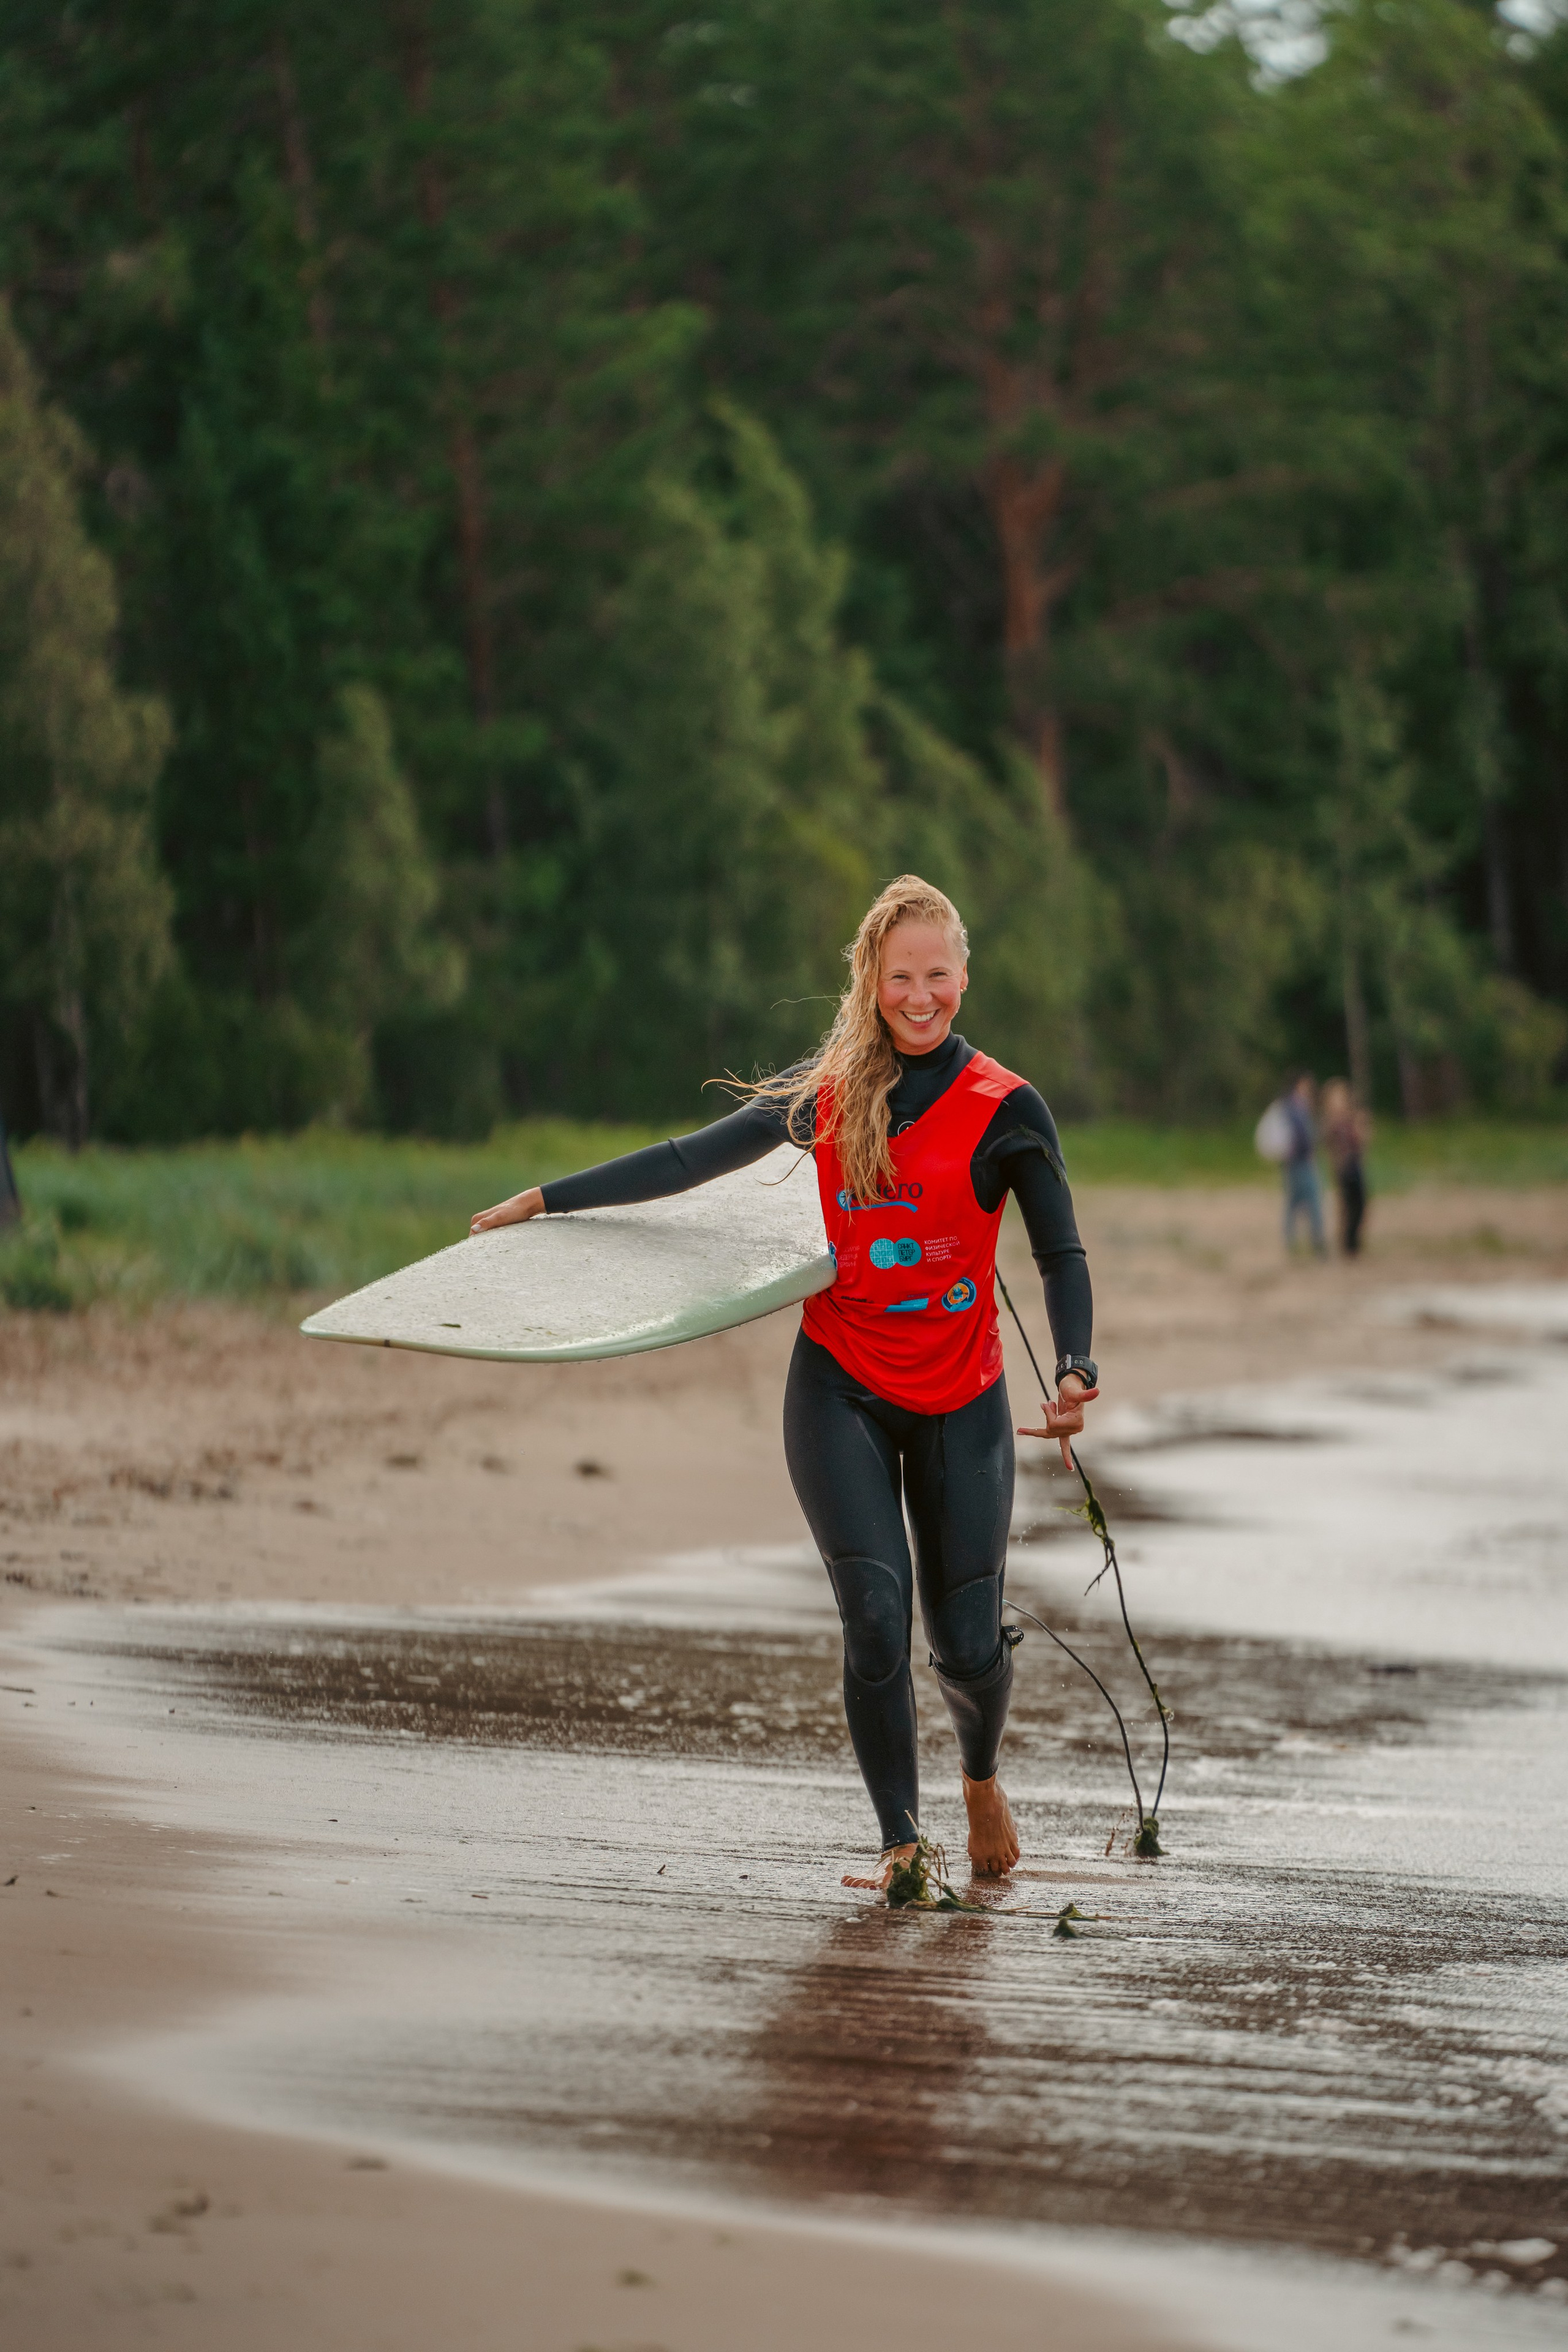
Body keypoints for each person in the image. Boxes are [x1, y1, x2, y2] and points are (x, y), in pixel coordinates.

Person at [470, 876, 1098, 1890]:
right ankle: (902, 1844)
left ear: (965, 976)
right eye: (902, 977)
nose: (921, 995)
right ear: (873, 979)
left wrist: (1075, 1361)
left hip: (962, 1399)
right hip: (841, 1388)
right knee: (877, 1618)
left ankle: (981, 1773)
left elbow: (1060, 1255)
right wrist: (547, 1201)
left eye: (939, 974)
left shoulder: (1008, 1109)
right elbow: (687, 1162)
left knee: (970, 1644)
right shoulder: (833, 1094)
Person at [1320, 1077, 1370, 1257]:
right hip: (1343, 1168)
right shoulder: (1331, 1122)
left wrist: (1362, 1127)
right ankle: (1348, 1245)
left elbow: (1362, 1143)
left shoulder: (1352, 1119)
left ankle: (1354, 1243)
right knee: (1348, 1207)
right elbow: (1328, 1146)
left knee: (1361, 1205)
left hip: (1356, 1166)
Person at [1280, 1072, 1327, 1257]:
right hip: (1300, 1161)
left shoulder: (1294, 1106)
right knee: (1313, 1201)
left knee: (1294, 1202)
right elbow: (1302, 1137)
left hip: (1294, 1162)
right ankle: (1316, 1243)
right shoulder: (1295, 1107)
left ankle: (1292, 1241)